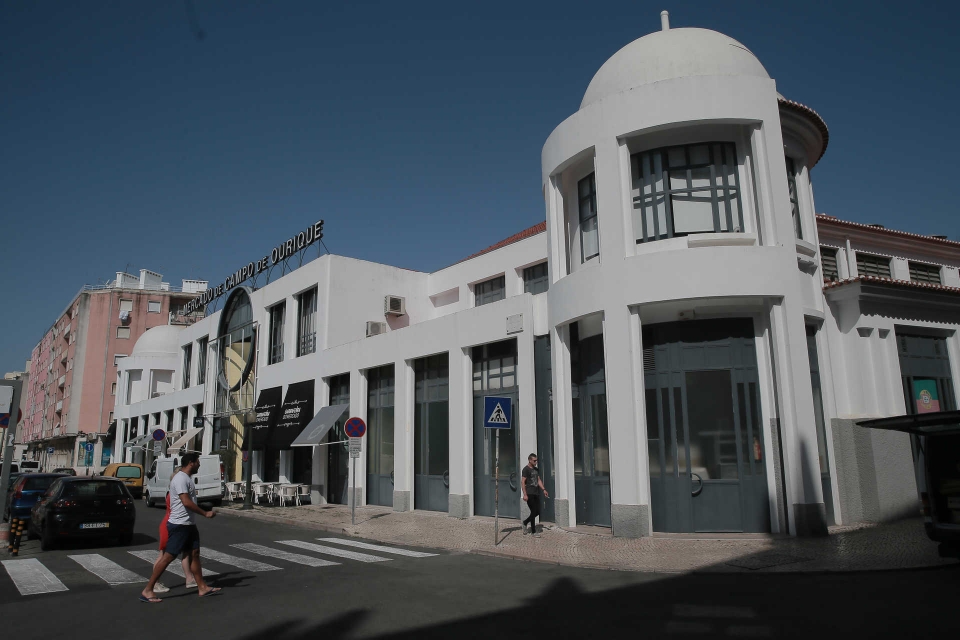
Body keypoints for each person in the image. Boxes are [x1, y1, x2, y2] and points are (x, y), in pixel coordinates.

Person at [140, 453, 220, 602]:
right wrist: (205, 513)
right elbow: (186, 502)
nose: (199, 465)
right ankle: (148, 589)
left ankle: (202, 587)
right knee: (168, 556)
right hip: (179, 525)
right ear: (191, 463)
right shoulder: (181, 479)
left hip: (188, 524)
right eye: (198, 462)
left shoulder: (186, 478)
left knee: (194, 553)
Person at [152, 466, 197, 593]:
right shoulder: (177, 490)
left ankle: (189, 579)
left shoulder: (174, 489)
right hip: (171, 523)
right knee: (164, 555)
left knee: (186, 552)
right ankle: (155, 583)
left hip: (176, 523)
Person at [521, 453, 548, 537]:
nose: (536, 462)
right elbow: (523, 482)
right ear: (530, 460)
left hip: (536, 492)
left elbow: (538, 480)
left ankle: (525, 522)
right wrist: (525, 494)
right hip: (529, 493)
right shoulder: (526, 469)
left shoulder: (536, 469)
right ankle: (533, 531)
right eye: (534, 461)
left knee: (537, 511)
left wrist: (543, 489)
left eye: (536, 460)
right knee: (533, 511)